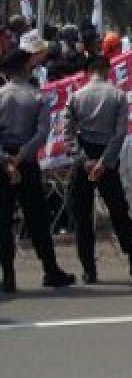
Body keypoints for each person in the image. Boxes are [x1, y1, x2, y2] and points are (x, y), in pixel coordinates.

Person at [64, 54, 132, 283]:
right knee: (119, 212)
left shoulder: (76, 96)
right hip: (108, 158)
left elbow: (67, 133)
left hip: (84, 158)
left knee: (82, 216)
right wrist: (104, 162)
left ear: (88, 71)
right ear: (107, 70)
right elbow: (120, 134)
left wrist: (84, 159)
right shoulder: (118, 96)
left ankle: (89, 269)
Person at [0, 48, 75, 292]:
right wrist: (20, 158)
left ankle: (8, 275)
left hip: (2, 163)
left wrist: (7, 159)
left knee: (3, 221)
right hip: (27, 162)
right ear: (25, 68)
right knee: (38, 219)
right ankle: (50, 270)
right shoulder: (37, 97)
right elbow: (42, 134)